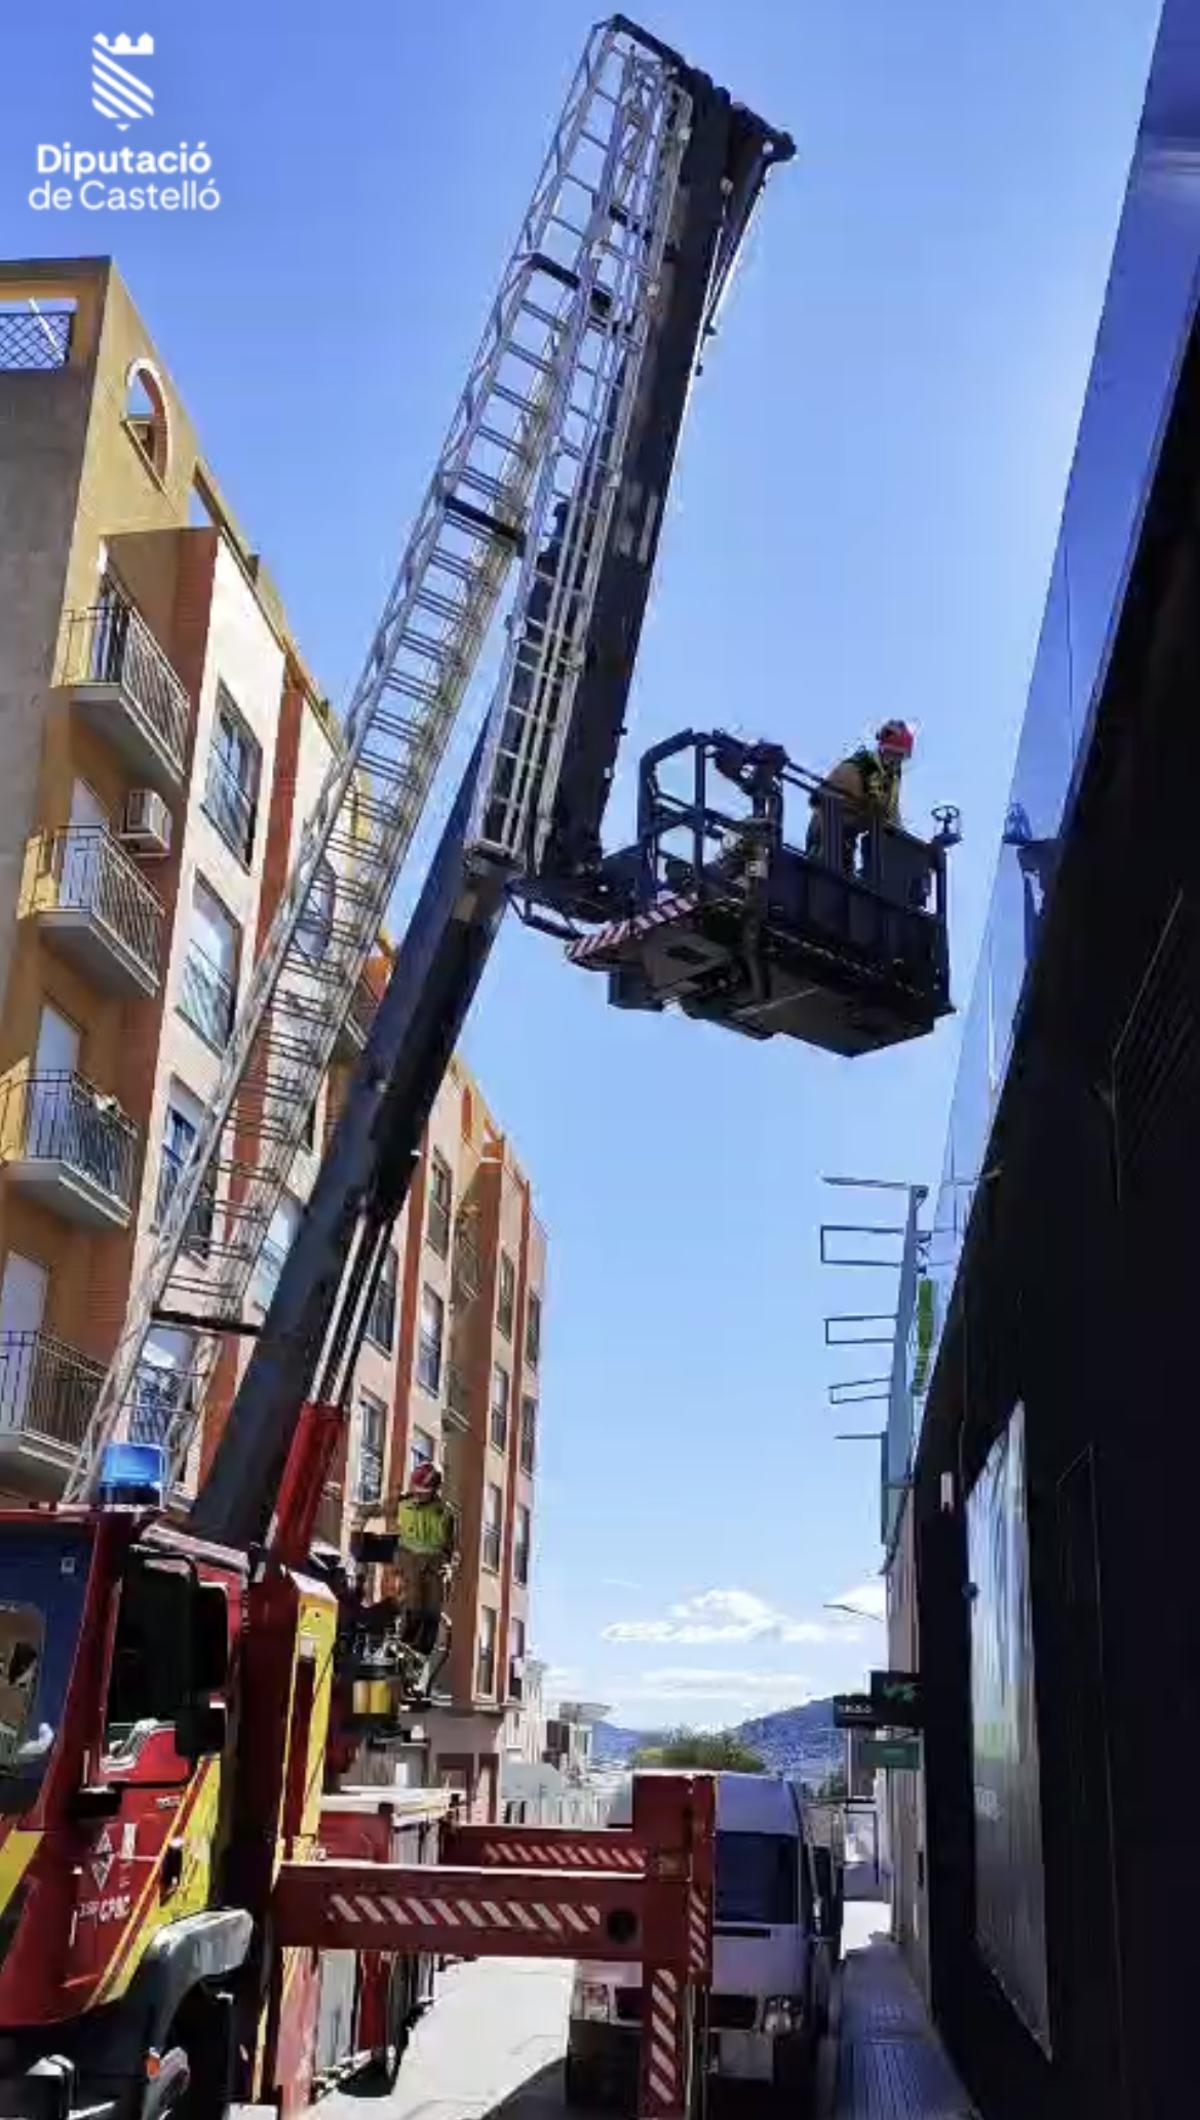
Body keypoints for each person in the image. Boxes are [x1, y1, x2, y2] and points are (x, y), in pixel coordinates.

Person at [808, 720, 915, 874]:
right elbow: (821, 802)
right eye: (894, 753)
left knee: (846, 876)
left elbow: (891, 815)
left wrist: (905, 842)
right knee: (827, 875)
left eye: (901, 756)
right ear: (883, 749)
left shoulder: (892, 778)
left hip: (850, 835)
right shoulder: (856, 768)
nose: (896, 760)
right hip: (827, 830)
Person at [393, 1461, 457, 1657]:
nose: (419, 1493)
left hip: (435, 1565)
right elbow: (378, 1508)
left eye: (424, 1490)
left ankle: (422, 1654)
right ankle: (403, 1645)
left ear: (435, 1489)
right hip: (410, 1560)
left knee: (431, 1612)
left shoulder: (446, 1513)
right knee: (413, 1606)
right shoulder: (403, 1504)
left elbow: (453, 1548)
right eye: (417, 1488)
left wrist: (450, 1567)